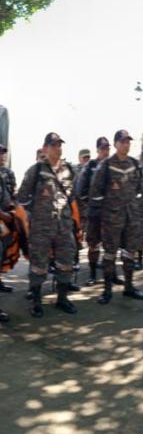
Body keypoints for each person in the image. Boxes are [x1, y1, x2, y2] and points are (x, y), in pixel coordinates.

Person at [17, 133, 79, 317]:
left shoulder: (69, 170)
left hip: (64, 227)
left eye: (60, 145)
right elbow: (22, 198)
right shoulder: (35, 170)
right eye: (54, 145)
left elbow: (73, 198)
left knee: (66, 262)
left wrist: (75, 223)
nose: (57, 148)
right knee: (38, 265)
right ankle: (36, 301)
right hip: (41, 228)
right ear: (45, 148)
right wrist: (33, 218)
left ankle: (62, 298)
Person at [90, 130, 143, 304]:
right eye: (122, 142)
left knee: (130, 252)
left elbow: (138, 188)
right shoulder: (106, 165)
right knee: (109, 254)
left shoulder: (135, 164)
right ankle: (107, 290)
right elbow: (95, 191)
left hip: (131, 217)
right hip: (112, 218)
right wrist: (105, 211)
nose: (126, 145)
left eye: (128, 142)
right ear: (115, 144)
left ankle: (129, 287)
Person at [77, 136, 114, 286]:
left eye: (107, 148)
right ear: (98, 149)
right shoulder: (91, 165)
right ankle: (92, 275)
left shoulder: (113, 165)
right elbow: (81, 189)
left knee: (111, 245)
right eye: (103, 149)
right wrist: (92, 203)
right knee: (94, 244)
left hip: (111, 213)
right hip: (95, 213)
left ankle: (110, 276)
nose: (105, 151)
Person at [0, 144, 15, 293]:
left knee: (3, 251)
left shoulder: (5, 174)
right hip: (2, 219)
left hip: (5, 220)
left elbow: (10, 194)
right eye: (0, 154)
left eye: (3, 154)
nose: (2, 156)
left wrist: (12, 209)